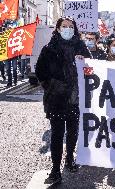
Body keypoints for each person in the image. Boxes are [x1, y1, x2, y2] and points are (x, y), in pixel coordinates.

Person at [35, 16, 91, 184]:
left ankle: (69, 159)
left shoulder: (81, 47)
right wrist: (53, 86)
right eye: (64, 26)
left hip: (75, 98)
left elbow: (91, 70)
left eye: (70, 26)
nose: (67, 29)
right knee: (57, 134)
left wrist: (85, 63)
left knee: (73, 132)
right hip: (56, 99)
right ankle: (55, 168)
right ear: (58, 29)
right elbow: (40, 72)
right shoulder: (49, 48)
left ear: (74, 29)